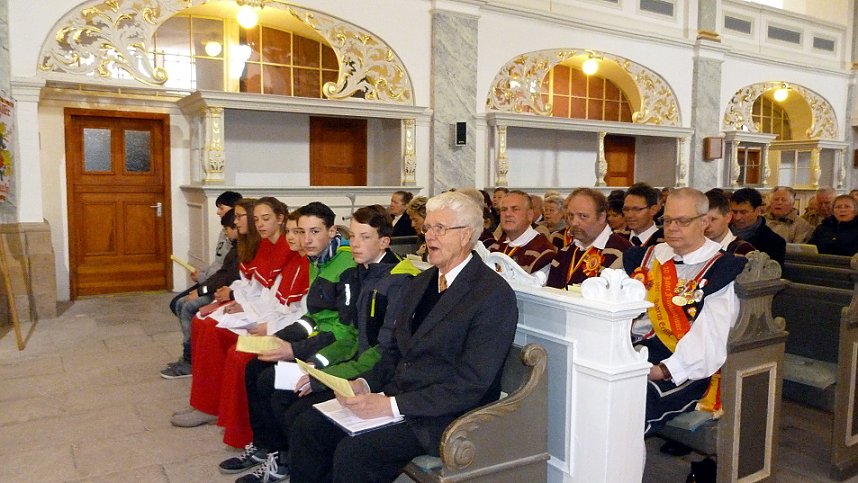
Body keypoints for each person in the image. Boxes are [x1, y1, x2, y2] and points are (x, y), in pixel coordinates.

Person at [288, 191, 519, 483]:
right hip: (398, 395)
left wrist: (391, 406)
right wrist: (364, 383)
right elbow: (395, 351)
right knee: (309, 425)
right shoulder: (422, 282)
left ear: (466, 235)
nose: (429, 236)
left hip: (441, 416)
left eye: (440, 228)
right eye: (428, 228)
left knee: (355, 452)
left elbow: (470, 384)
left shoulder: (492, 295)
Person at [229, 205, 420, 483]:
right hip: (347, 359)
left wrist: (317, 369)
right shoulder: (358, 270)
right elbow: (330, 324)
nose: (354, 244)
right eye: (352, 236)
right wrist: (284, 340)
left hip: (367, 372)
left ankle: (290, 461)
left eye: (364, 237)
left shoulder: (393, 281)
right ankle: (278, 455)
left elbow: (377, 348)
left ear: (384, 241)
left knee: (294, 407)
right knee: (264, 377)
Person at [218, 202, 358, 475]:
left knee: (270, 381)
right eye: (302, 232)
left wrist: (294, 349)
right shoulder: (317, 259)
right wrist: (279, 338)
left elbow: (344, 332)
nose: (306, 240)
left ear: (331, 232)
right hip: (320, 337)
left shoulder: (346, 267)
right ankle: (264, 446)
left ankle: (283, 458)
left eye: (314, 232)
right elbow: (313, 317)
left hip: (335, 349)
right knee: (254, 366)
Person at [171, 198, 308, 429]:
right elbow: (255, 287)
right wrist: (236, 300)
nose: (295, 238)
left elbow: (284, 305)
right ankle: (206, 403)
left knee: (226, 342)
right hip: (260, 313)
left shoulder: (294, 256)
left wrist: (245, 307)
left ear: (280, 219)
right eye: (256, 219)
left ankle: (220, 412)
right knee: (203, 321)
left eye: (264, 219)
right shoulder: (267, 246)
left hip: (271, 321)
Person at [623, 188, 746, 437]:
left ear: (704, 222)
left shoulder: (722, 269)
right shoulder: (646, 257)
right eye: (668, 220)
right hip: (637, 349)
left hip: (687, 367)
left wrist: (662, 370)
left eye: (682, 221)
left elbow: (710, 338)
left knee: (629, 402)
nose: (672, 228)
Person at [163, 190, 242, 376]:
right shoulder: (230, 238)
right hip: (215, 283)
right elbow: (220, 268)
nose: (218, 212)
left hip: (225, 289)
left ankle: (191, 359)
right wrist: (203, 280)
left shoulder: (242, 245)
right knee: (179, 304)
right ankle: (193, 355)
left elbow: (229, 276)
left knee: (187, 306)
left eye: (221, 208)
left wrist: (202, 289)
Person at [546, 188, 632, 288]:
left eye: (583, 216)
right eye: (571, 216)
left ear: (601, 217)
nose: (574, 223)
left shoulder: (621, 252)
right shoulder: (564, 252)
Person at [485, 189, 556, 275]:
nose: (507, 214)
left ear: (530, 215)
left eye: (515, 209)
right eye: (504, 209)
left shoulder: (542, 252)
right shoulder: (495, 247)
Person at [729, 188, 785, 266]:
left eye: (743, 212)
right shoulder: (721, 233)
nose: (737, 217)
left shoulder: (773, 242)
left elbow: (773, 271)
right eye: (734, 212)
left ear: (758, 211)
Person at [704, 189, 755, 256]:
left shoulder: (745, 251)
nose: (707, 225)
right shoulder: (693, 248)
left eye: (713, 219)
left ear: (728, 217)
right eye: (702, 220)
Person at [622, 182, 664, 248]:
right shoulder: (616, 241)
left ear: (653, 210)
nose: (629, 215)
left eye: (636, 209)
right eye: (626, 209)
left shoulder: (666, 243)